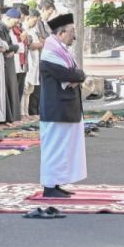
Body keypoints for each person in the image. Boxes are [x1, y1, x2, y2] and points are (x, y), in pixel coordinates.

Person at [38, 12, 87, 199]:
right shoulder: (50, 52)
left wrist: (78, 75)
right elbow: (72, 75)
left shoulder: (61, 50)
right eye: (71, 31)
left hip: (64, 108)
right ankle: (49, 187)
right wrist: (79, 76)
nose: (74, 36)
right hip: (55, 110)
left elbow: (75, 72)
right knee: (54, 149)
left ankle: (56, 183)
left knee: (63, 149)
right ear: (60, 33)